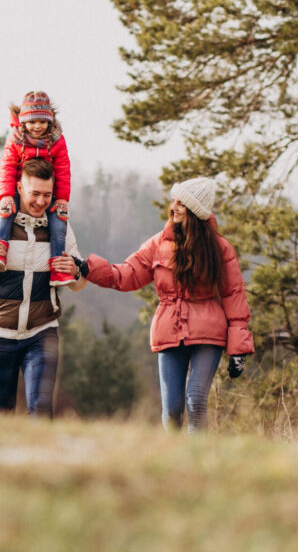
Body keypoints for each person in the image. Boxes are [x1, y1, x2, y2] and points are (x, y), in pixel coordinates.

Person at [77, 176, 254, 431]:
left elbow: (234, 295)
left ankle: (198, 464)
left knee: (196, 401)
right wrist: (89, 268)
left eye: (182, 203)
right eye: (175, 200)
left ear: (195, 211)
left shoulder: (220, 249)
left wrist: (239, 348)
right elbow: (127, 274)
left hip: (209, 334)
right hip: (169, 332)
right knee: (171, 410)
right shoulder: (158, 243)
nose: (175, 207)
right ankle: (172, 464)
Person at [0, 157, 86, 416]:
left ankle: (41, 457)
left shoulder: (60, 229)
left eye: (47, 195)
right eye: (34, 193)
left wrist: (75, 272)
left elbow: (78, 284)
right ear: (19, 187)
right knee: (0, 413)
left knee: (41, 411)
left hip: (42, 332)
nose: (41, 202)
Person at [0, 91, 74, 286]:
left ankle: (58, 266)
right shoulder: (16, 140)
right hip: (22, 189)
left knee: (59, 221)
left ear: (49, 122)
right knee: (6, 212)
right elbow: (7, 167)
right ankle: (0, 248)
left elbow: (63, 169)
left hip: (46, 188)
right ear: (24, 122)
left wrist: (61, 198)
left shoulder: (56, 140)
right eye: (33, 122)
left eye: (42, 122)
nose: (38, 127)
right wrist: (6, 195)